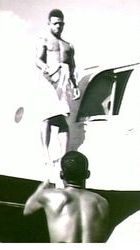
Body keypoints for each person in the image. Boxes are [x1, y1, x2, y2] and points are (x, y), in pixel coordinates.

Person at [23, 151, 110, 243]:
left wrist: (40, 189)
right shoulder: (102, 202)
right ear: (88, 174)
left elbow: (27, 210)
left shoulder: (50, 196)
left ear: (61, 174)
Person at [36, 9, 80, 168]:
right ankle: (45, 154)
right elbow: (38, 59)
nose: (58, 27)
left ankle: (63, 156)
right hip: (49, 80)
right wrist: (45, 67)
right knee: (46, 116)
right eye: (55, 24)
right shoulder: (45, 40)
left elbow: (73, 66)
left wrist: (75, 85)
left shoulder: (68, 46)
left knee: (62, 120)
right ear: (49, 24)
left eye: (61, 24)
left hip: (64, 81)